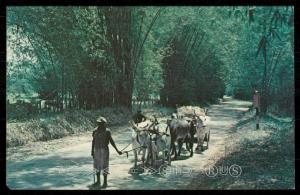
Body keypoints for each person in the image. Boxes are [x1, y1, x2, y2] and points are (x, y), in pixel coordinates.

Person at [91, 116, 122, 189]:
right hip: (97, 150)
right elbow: (93, 141)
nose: (100, 124)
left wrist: (117, 150)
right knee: (96, 166)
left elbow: (111, 141)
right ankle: (98, 181)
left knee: (105, 166)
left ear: (104, 124)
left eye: (102, 123)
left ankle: (105, 182)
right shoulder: (94, 131)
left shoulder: (107, 131)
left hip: (105, 150)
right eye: (99, 123)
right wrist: (92, 150)